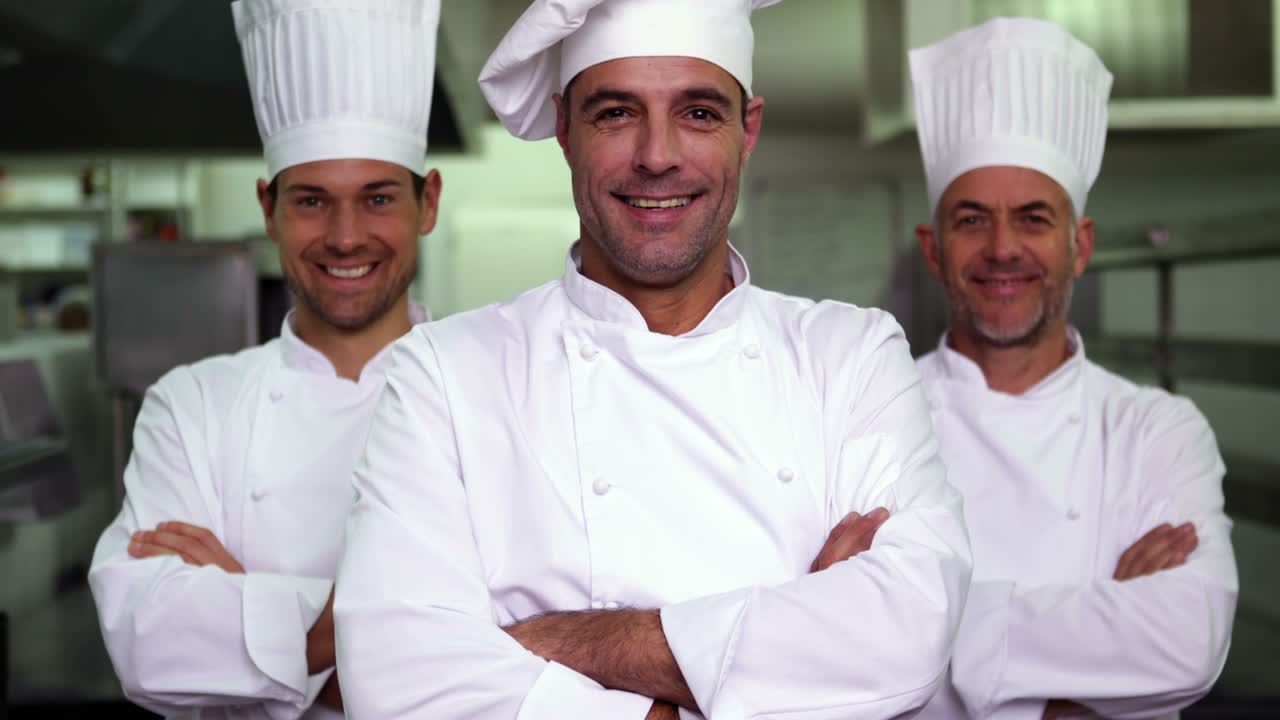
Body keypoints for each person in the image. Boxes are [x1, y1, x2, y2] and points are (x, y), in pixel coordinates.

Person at [334, 1, 972, 718]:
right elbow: (396, 681)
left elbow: (909, 632)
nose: (658, 155)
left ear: (747, 130)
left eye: (698, 112)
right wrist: (788, 643)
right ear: (566, 130)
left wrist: (556, 643)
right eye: (616, 113)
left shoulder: (850, 355)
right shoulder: (443, 374)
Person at [87, 1, 442, 717]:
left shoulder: (494, 390)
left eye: (376, 198)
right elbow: (147, 643)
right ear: (268, 206)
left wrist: (246, 614)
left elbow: (523, 660)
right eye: (312, 201)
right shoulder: (192, 406)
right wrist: (399, 638)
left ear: (427, 202)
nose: (345, 237)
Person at [909, 18, 1238, 720]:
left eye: (1032, 218)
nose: (1003, 249)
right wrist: (1089, 679)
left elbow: (1189, 639)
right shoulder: (872, 412)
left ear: (1078, 244)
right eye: (971, 220)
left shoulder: (1156, 428)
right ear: (933, 249)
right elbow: (825, 648)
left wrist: (918, 629)